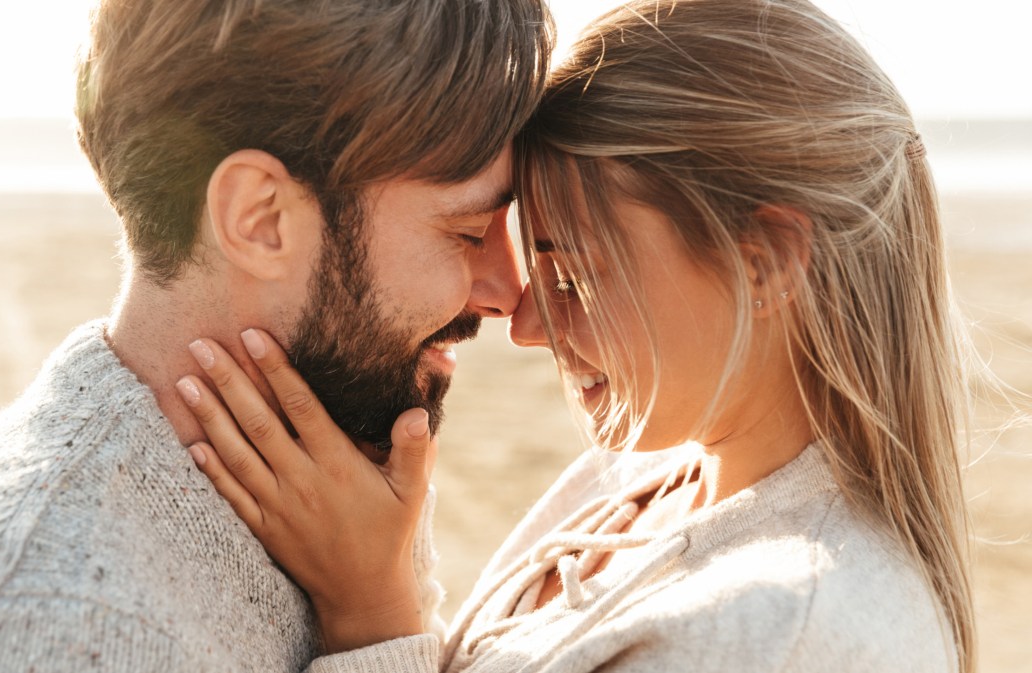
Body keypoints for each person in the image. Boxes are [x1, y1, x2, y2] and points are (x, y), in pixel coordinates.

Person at [179, 0, 977, 671]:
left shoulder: (789, 633)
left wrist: (371, 616)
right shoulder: (644, 473)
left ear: (763, 262)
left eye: (575, 279)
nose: (527, 325)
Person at [0, 0, 551, 671]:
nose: (508, 293)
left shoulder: (337, 495)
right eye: (466, 231)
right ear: (260, 217)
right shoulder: (57, 628)